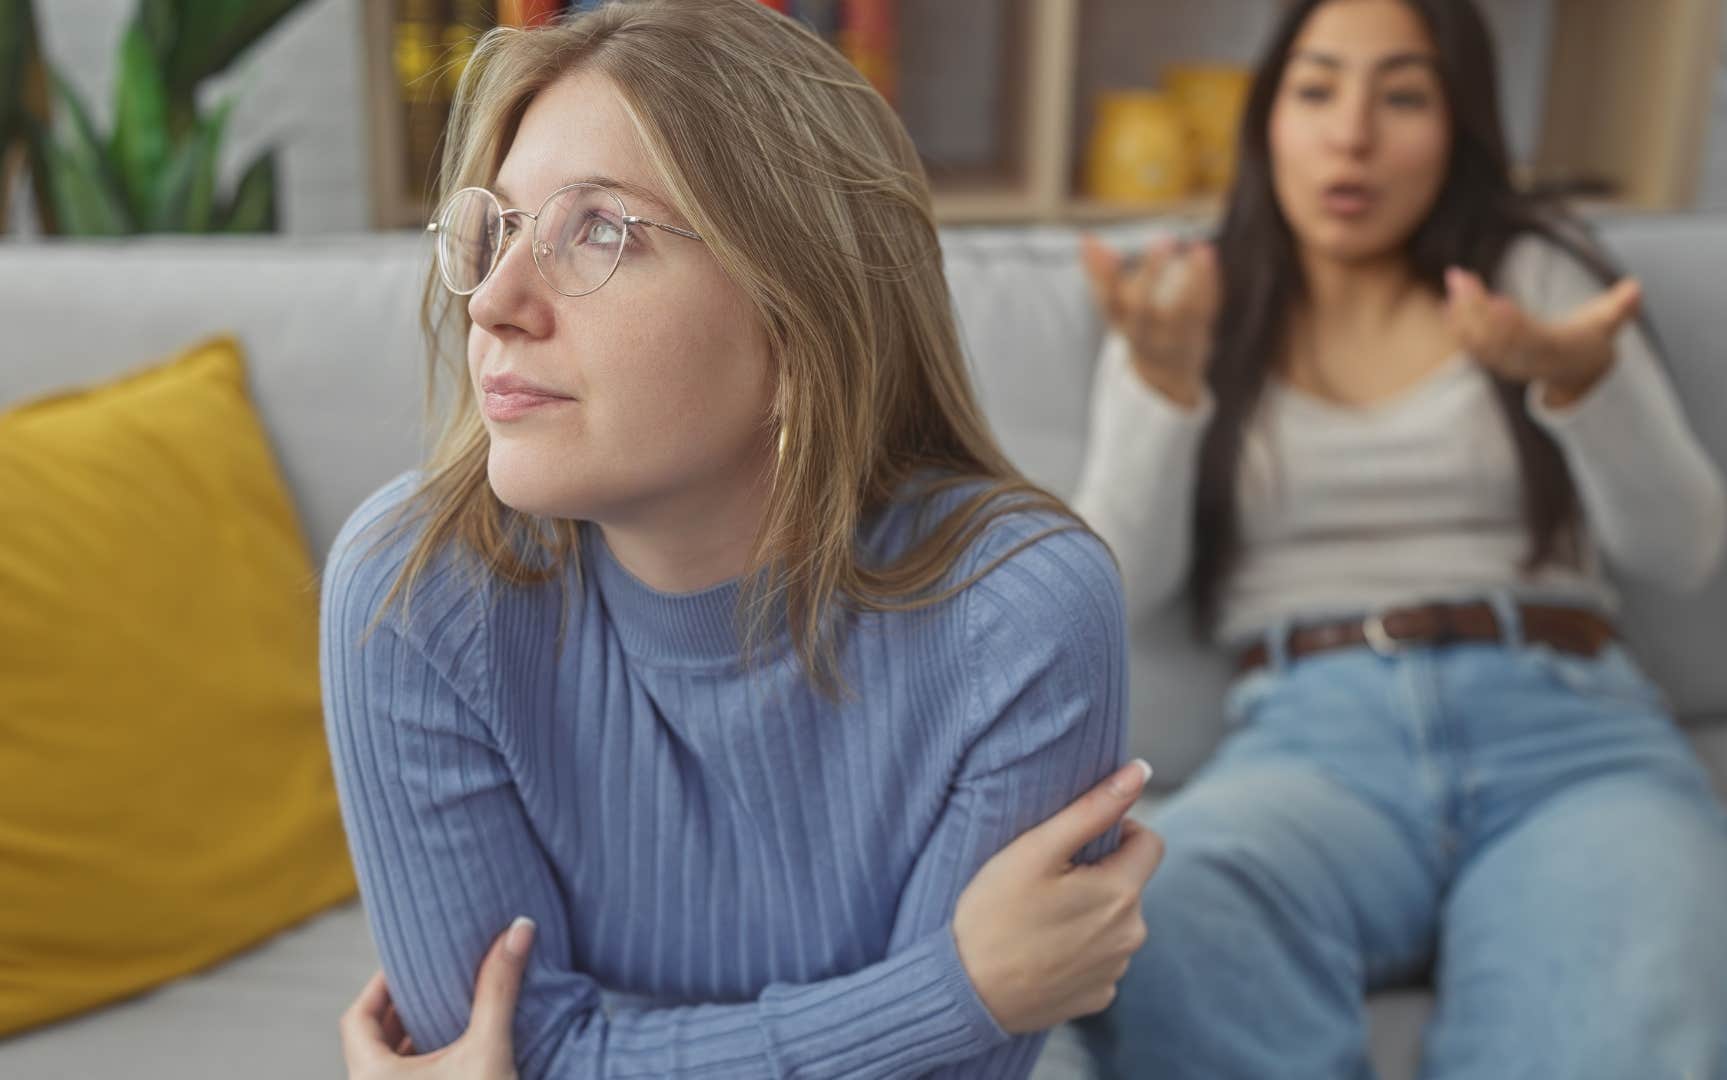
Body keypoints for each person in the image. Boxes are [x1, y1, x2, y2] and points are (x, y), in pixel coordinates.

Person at [319, 2, 1162, 1077]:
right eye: (501, 229)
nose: (495, 302)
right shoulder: (412, 592)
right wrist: (957, 992)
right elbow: (505, 1053)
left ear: (800, 313)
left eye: (601, 230)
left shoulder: (1019, 618)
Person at [1068, 0, 1727, 1077]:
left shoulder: (1534, 275)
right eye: (1316, 90)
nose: (1351, 134)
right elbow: (1108, 596)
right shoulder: (1192, 301)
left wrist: (1581, 382)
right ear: (1268, 119)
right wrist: (1163, 385)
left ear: (1460, 124)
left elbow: (1683, 548)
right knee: (1160, 919)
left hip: (1567, 734)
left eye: (1403, 96)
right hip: (1313, 741)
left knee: (1635, 1023)